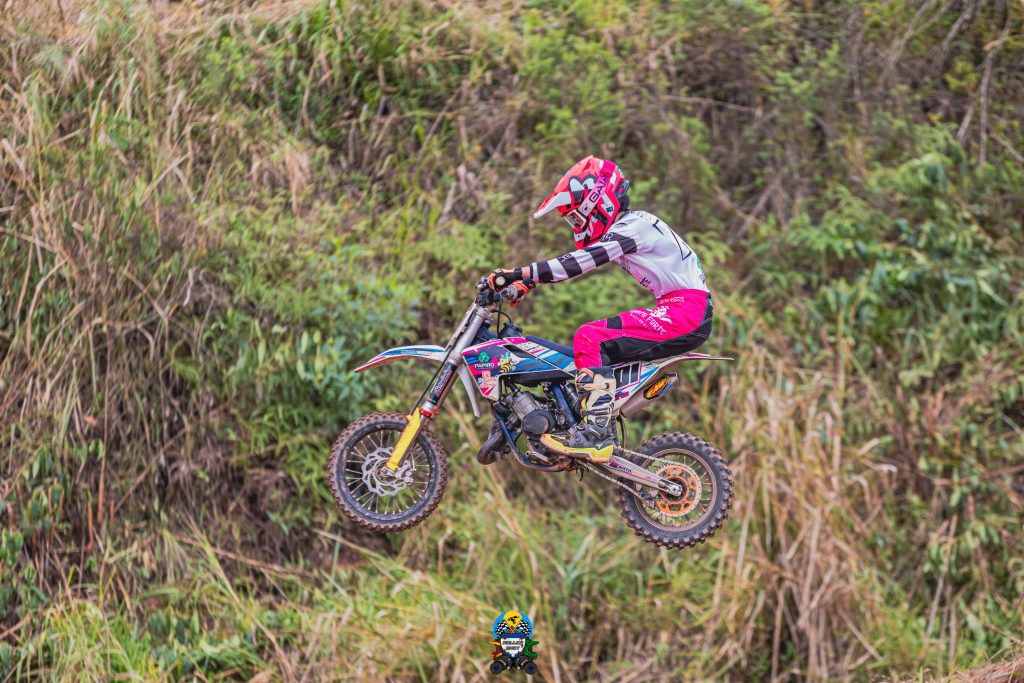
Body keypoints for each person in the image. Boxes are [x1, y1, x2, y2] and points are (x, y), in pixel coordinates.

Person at [486, 155, 713, 464]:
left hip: (686, 312)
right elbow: (577, 262)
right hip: (681, 310)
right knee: (584, 354)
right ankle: (573, 419)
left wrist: (519, 274)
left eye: (578, 218)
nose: (577, 226)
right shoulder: (627, 228)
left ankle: (596, 435)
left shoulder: (635, 227)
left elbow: (579, 263)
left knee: (590, 337)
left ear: (598, 201)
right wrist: (530, 282)